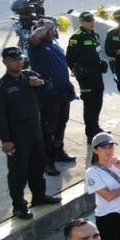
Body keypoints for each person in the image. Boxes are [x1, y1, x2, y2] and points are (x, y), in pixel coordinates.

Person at [0, 46, 62, 219]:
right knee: (18, 171)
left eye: (20, 59)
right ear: (5, 62)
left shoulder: (30, 76)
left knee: (37, 166)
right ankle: (19, 205)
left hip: (36, 129)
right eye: (14, 60)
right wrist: (6, 139)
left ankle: (39, 196)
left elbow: (50, 86)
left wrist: (42, 83)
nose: (18, 62)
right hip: (17, 134)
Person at [27, 18, 77, 175]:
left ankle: (59, 153)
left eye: (52, 30)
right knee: (49, 130)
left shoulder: (53, 45)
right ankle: (48, 161)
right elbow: (34, 37)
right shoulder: (36, 47)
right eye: (49, 31)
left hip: (62, 93)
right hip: (48, 96)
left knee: (61, 125)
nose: (52, 32)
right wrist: (46, 24)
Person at [67, 11, 108, 143]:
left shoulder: (94, 35)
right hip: (85, 76)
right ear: (82, 23)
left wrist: (101, 62)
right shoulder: (76, 37)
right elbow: (69, 58)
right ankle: (90, 133)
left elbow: (97, 51)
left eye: (92, 20)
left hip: (96, 73)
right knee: (90, 103)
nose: (91, 23)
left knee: (98, 100)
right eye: (88, 21)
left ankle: (95, 127)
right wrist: (76, 71)